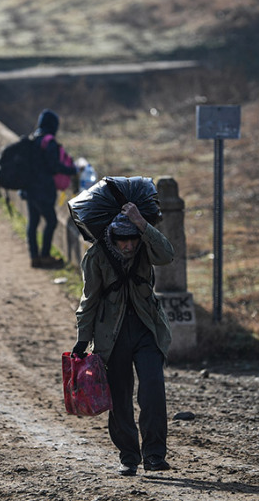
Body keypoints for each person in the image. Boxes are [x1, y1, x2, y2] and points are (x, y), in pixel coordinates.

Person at [71, 203, 175, 477]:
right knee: (119, 398)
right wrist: (83, 341)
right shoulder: (96, 257)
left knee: (153, 389)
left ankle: (154, 455)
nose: (128, 246)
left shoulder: (145, 246)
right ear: (112, 237)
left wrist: (141, 224)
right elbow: (89, 300)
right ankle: (129, 456)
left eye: (132, 239)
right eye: (122, 240)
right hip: (111, 336)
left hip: (147, 330)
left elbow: (167, 255)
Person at [21, 109, 77, 269]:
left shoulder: (33, 139)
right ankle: (45, 256)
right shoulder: (48, 141)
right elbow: (53, 166)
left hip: (30, 188)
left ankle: (34, 257)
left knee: (33, 223)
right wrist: (72, 170)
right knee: (51, 221)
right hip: (43, 189)